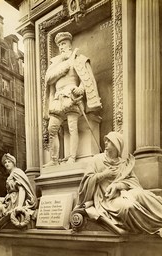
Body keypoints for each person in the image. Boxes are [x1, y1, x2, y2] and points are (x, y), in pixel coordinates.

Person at [74, 131, 162, 237]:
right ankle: (158, 227)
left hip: (124, 193)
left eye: (109, 141)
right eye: (106, 140)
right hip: (106, 201)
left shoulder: (123, 164)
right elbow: (86, 181)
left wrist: (117, 186)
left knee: (144, 195)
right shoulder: (97, 160)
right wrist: (104, 174)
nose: (106, 142)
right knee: (129, 207)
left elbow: (134, 182)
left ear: (117, 145)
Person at [44, 31, 101, 166]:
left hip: (71, 96)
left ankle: (72, 157)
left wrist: (80, 88)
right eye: (59, 45)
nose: (61, 47)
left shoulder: (79, 59)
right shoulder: (55, 65)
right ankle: (54, 159)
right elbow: (49, 81)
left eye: (63, 44)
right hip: (58, 98)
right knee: (52, 129)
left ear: (70, 44)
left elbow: (86, 78)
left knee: (72, 127)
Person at [0, 153, 37, 230]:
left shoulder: (17, 172)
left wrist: (19, 206)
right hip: (10, 200)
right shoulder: (11, 174)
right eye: (5, 162)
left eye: (9, 162)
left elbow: (22, 189)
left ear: (13, 163)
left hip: (15, 202)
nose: (7, 164)